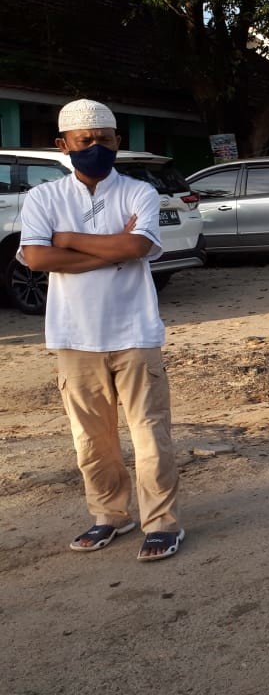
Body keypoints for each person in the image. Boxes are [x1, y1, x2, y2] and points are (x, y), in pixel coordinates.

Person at [19, 99, 183, 562]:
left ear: (118, 142)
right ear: (63, 145)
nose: (95, 148)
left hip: (135, 333)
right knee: (91, 439)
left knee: (151, 436)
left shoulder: (138, 193)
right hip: (74, 336)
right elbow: (35, 258)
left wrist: (67, 239)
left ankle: (161, 522)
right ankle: (110, 515)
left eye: (104, 140)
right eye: (84, 140)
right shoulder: (44, 198)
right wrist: (114, 252)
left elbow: (138, 244)